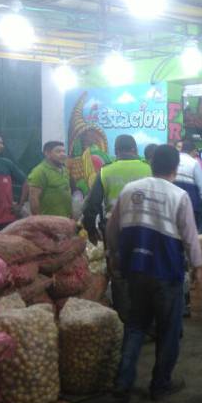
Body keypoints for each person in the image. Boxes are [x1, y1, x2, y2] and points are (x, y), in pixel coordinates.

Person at [107, 145, 202, 403]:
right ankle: (160, 384)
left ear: (151, 163)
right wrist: (198, 268)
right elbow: (190, 238)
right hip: (165, 272)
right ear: (175, 167)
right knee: (169, 329)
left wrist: (116, 255)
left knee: (136, 325)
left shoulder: (129, 190)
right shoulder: (179, 195)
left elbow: (111, 228)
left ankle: (122, 382)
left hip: (134, 269)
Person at [81, 135, 151, 322]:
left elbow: (91, 207)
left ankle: (126, 323)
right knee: (146, 273)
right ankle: (147, 322)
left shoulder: (106, 171)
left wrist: (91, 230)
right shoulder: (149, 168)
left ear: (116, 150)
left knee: (119, 275)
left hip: (116, 231)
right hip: (147, 229)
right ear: (135, 149)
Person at [174, 140, 202, 234]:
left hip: (174, 204)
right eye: (196, 151)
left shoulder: (173, 160)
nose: (196, 153)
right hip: (192, 205)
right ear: (192, 151)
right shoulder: (194, 163)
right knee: (196, 232)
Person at [27, 141, 73, 218]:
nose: (63, 154)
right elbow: (33, 199)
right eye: (58, 151)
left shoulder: (65, 170)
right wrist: (41, 222)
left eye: (64, 151)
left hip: (65, 220)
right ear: (47, 154)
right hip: (49, 223)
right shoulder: (39, 171)